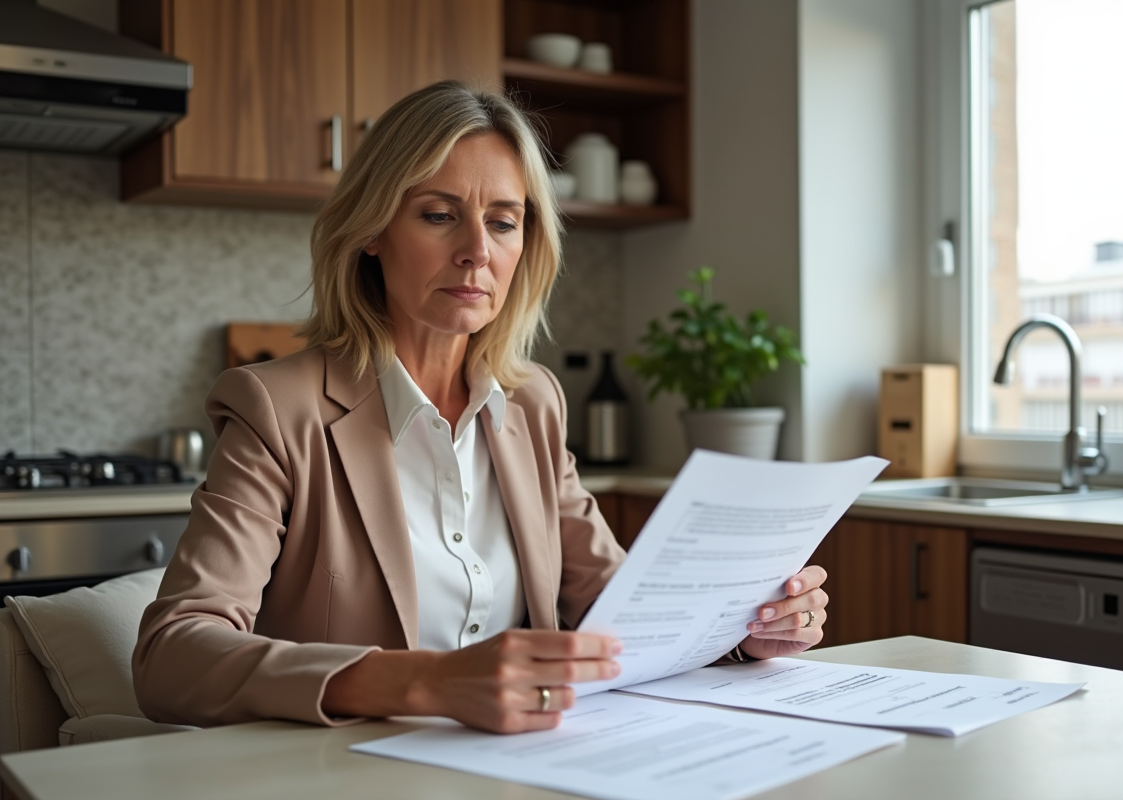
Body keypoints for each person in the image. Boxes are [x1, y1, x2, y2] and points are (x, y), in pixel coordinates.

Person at [133, 81, 829, 735]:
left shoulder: (534, 404)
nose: (477, 253)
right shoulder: (278, 408)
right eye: (439, 216)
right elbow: (172, 656)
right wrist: (422, 683)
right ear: (372, 230)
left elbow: (619, 610)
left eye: (504, 222)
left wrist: (745, 629)